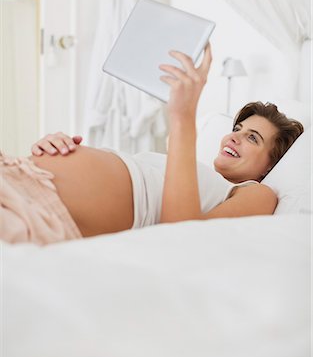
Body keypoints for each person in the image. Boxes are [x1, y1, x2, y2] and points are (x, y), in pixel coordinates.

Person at [1, 44, 304, 245]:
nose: (234, 136)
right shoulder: (192, 170)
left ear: (270, 166)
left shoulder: (257, 193)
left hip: (39, 209)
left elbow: (179, 240)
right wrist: (52, 151)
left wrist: (183, 117)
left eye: (252, 138)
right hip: (19, 175)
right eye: (237, 128)